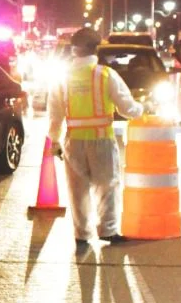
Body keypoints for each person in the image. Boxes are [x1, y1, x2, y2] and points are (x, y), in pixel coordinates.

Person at [47, 27, 145, 253]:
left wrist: (54, 141)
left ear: (73, 50)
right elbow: (128, 108)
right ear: (96, 49)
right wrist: (142, 109)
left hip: (74, 141)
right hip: (101, 139)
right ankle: (108, 231)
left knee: (77, 189)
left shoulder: (63, 78)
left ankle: (81, 235)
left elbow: (55, 113)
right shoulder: (105, 75)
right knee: (107, 185)